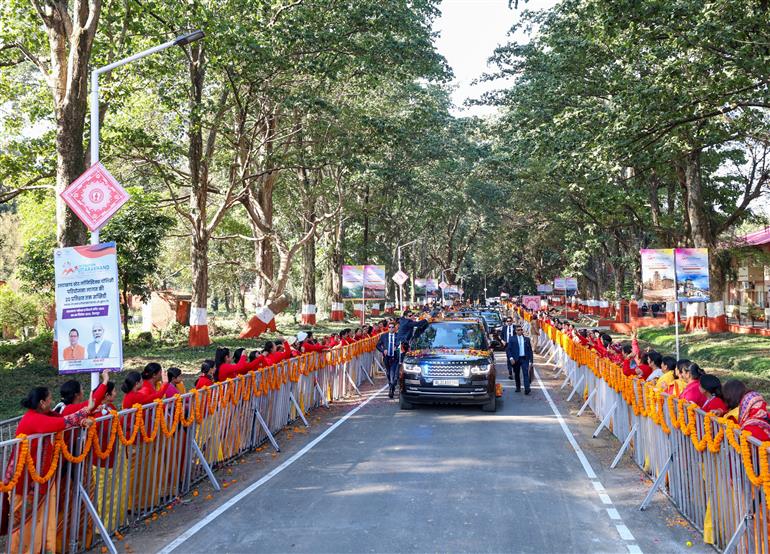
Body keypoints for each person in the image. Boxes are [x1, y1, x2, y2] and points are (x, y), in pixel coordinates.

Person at [11, 387, 95, 553]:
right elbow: (60, 423)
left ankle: (44, 548)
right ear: (42, 403)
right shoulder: (33, 418)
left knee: (44, 517)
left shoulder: (45, 414)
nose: (52, 401)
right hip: (27, 479)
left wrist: (81, 420)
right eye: (49, 399)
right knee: (26, 522)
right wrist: (86, 410)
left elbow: (62, 419)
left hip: (42, 474)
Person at [376, 321, 401, 398]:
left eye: (392, 327)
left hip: (395, 357)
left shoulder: (398, 336)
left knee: (393, 373)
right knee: (388, 373)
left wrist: (397, 347)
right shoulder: (384, 336)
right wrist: (383, 350)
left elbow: (402, 344)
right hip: (387, 357)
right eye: (389, 327)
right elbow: (378, 345)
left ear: (395, 328)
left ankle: (391, 388)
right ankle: (391, 385)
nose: (390, 329)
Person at [508, 325, 534, 394]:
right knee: (517, 374)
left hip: (524, 359)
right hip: (516, 359)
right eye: (518, 330)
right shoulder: (512, 339)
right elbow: (509, 350)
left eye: (521, 330)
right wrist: (511, 358)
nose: (520, 331)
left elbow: (530, 350)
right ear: (515, 331)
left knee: (525, 373)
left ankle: (527, 388)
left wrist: (531, 361)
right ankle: (518, 387)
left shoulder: (526, 339)